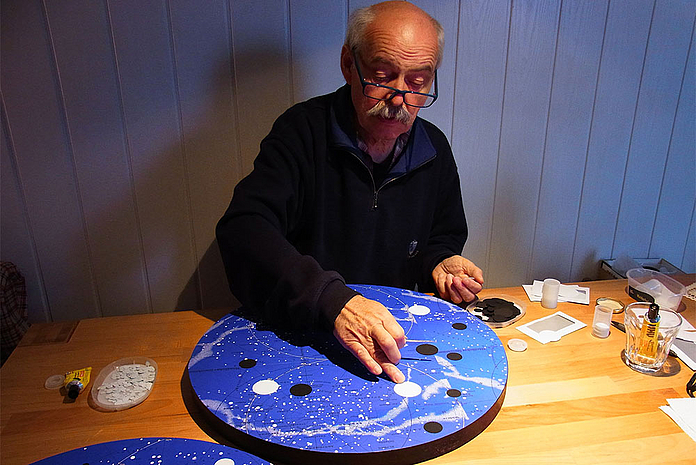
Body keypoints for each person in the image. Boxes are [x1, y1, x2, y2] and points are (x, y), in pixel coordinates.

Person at [216, 1, 483, 384]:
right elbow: (243, 230)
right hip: (302, 335)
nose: (399, 100)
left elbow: (440, 237)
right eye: (382, 75)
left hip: (392, 336)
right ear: (348, 65)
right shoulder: (301, 132)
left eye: (418, 82)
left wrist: (439, 262)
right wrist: (332, 301)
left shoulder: (434, 148)